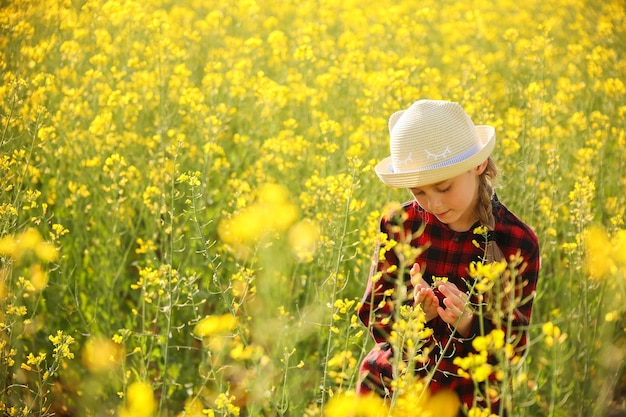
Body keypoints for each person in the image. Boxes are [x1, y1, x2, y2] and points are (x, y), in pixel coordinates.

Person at [356, 99, 540, 416]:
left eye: (443, 187)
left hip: (468, 397)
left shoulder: (517, 241)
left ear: (479, 165)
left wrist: (470, 322)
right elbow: (374, 313)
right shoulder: (399, 225)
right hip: (394, 386)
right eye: (419, 192)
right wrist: (415, 316)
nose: (434, 204)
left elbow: (514, 346)